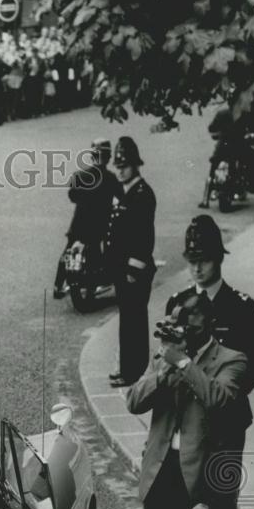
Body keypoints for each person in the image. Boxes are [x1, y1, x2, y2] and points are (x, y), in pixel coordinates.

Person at [127, 291, 248, 509]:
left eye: (193, 325)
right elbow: (134, 401)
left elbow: (219, 399)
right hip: (161, 469)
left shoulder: (232, 360)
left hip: (201, 478)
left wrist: (183, 363)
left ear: (210, 323)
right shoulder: (166, 355)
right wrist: (165, 369)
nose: (187, 331)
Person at [166, 215, 254, 509]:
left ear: (219, 259)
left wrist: (222, 392)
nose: (197, 268)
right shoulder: (177, 303)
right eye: (192, 260)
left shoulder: (240, 307)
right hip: (185, 421)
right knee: (181, 507)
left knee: (219, 508)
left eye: (205, 260)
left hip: (226, 423)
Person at [104, 136, 156, 387]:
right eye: (118, 166)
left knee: (134, 320)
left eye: (124, 166)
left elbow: (143, 237)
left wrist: (133, 268)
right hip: (121, 267)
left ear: (135, 165)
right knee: (127, 318)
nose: (120, 170)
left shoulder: (142, 194)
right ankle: (128, 366)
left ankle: (134, 371)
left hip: (134, 269)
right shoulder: (124, 192)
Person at [53, 138, 118, 298]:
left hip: (79, 223)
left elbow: (72, 196)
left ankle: (58, 284)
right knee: (99, 250)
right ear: (108, 157)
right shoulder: (111, 178)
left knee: (68, 251)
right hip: (99, 225)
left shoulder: (80, 175)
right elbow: (120, 197)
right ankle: (95, 284)